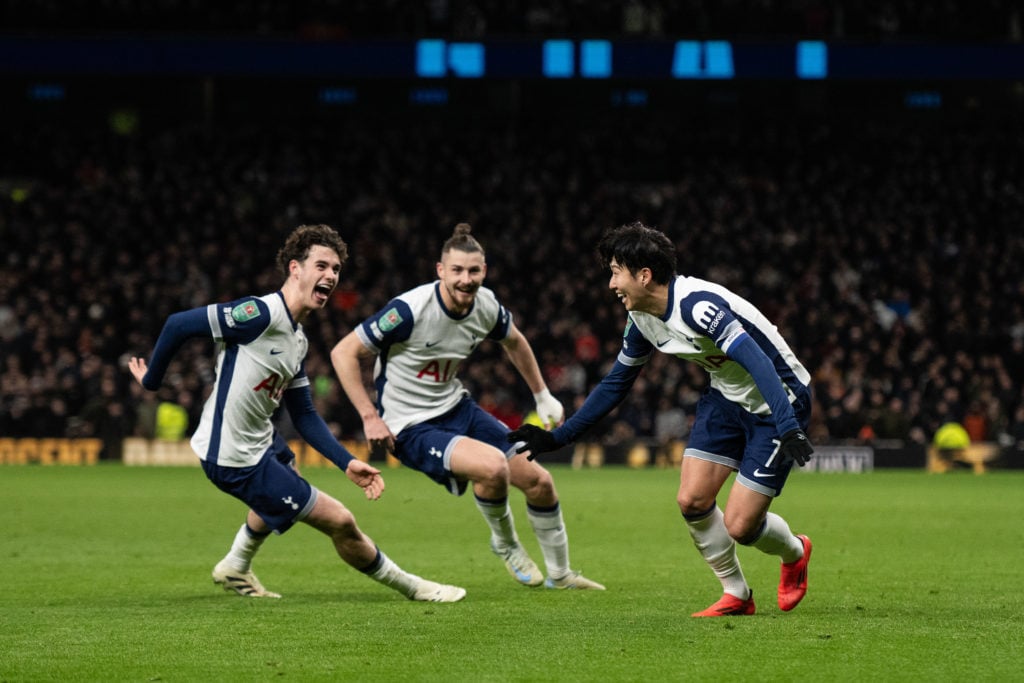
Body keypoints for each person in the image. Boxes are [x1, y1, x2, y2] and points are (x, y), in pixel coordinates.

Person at [128, 224, 465, 603]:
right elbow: (177, 325)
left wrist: (346, 463)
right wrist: (151, 382)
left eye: (336, 269)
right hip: (233, 458)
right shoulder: (259, 315)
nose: (331, 276)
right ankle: (414, 588)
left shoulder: (297, 339)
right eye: (322, 265)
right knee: (340, 520)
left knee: (289, 477)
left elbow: (304, 415)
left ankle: (236, 565)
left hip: (260, 442)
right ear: (295, 268)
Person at [510, 221, 814, 616]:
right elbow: (616, 383)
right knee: (692, 499)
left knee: (741, 527)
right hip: (726, 397)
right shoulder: (641, 318)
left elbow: (758, 361)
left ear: (644, 275)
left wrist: (788, 423)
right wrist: (560, 437)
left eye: (616, 272)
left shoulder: (697, 306)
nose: (611, 284)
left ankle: (795, 552)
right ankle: (737, 594)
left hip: (779, 402)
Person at [330, 223, 604, 590]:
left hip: (457, 407)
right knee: (492, 469)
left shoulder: (487, 305)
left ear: (484, 271)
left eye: (473, 270)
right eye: (456, 270)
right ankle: (505, 545)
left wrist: (542, 395)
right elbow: (344, 351)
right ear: (440, 271)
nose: (465, 279)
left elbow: (516, 341)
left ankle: (562, 575)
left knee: (540, 482)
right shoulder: (410, 310)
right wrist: (369, 416)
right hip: (410, 425)